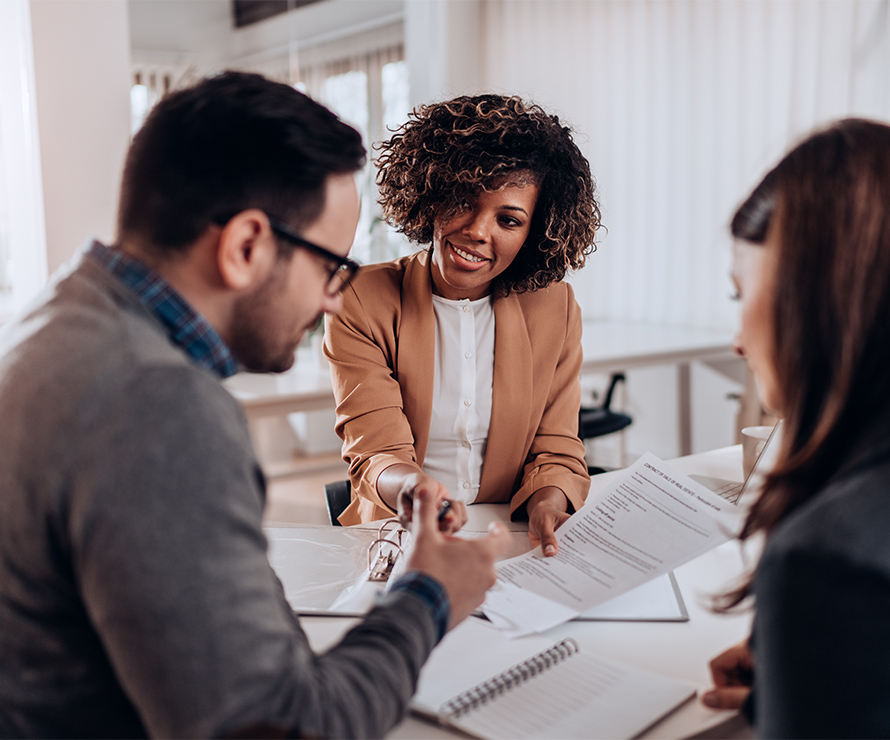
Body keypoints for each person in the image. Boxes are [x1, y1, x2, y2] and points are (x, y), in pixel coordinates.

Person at [0, 71, 510, 739]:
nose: (333, 298)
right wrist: (428, 598)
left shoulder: (51, 318)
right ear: (245, 247)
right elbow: (279, 728)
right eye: (332, 266)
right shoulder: (157, 406)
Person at [701, 119, 890, 736]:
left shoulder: (831, 562)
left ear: (815, 300)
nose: (738, 341)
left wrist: (826, 642)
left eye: (742, 296)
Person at [324, 94, 602, 556]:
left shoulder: (554, 307)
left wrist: (550, 501)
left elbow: (556, 447)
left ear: (534, 234)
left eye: (508, 219)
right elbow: (376, 452)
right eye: (463, 201)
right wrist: (418, 494)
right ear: (431, 194)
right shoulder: (360, 298)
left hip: (512, 540)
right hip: (400, 534)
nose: (477, 230)